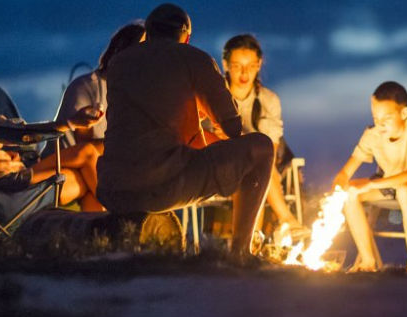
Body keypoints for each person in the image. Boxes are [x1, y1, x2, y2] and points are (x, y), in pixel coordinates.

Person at [96, 3, 274, 258]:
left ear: (148, 32)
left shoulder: (121, 62)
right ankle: (241, 252)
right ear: (186, 37)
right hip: (161, 184)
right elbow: (233, 127)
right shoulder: (195, 59)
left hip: (112, 187)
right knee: (261, 148)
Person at [0, 32, 106, 211]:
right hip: (6, 181)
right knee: (87, 153)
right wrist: (71, 123)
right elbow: (15, 133)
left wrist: (6, 154)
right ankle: (120, 222)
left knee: (82, 175)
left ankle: (106, 232)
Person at [333, 81, 407, 272]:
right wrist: (339, 186)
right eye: (376, 117)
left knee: (405, 191)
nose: (380, 124)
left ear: (404, 113)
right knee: (350, 193)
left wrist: (369, 185)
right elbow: (346, 172)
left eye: (387, 118)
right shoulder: (373, 134)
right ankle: (367, 263)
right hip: (389, 186)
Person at [218, 34, 299, 232]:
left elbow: (272, 146)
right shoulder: (215, 96)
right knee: (258, 168)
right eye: (237, 66)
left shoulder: (268, 100)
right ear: (226, 64)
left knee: (259, 168)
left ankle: (252, 245)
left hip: (262, 168)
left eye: (251, 65)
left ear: (259, 64)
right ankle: (287, 220)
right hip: (222, 167)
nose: (244, 73)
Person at [50, 23, 146, 155]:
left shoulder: (137, 94)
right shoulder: (87, 87)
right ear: (120, 49)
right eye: (141, 49)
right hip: (68, 168)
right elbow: (84, 148)